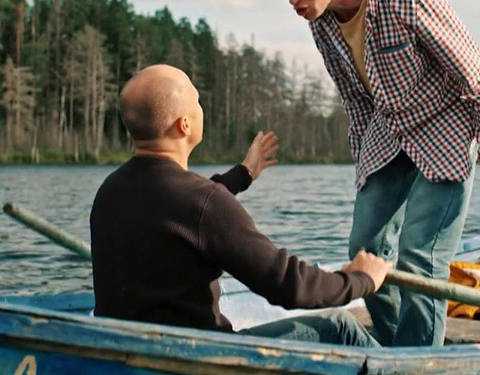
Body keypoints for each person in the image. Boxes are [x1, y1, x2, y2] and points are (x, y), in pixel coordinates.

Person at [260, 0, 480, 347]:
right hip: (388, 130)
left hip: (445, 126)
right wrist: (366, 170)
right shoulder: (320, 22)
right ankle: (399, 350)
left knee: (419, 257)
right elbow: (356, 101)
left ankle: (418, 361)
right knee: (365, 248)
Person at [90, 64, 391, 347]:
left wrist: (244, 174)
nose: (201, 108)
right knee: (340, 326)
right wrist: (360, 280)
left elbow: (182, 211)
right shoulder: (203, 203)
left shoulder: (110, 192)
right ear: (184, 125)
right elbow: (287, 285)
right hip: (201, 358)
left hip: (130, 353)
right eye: (197, 101)